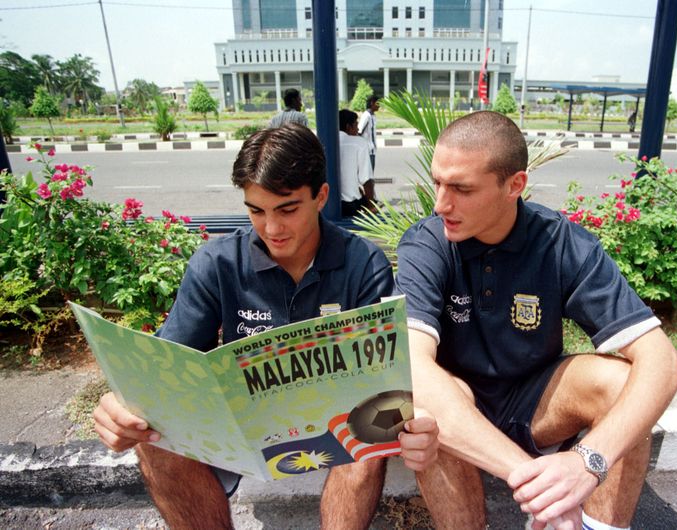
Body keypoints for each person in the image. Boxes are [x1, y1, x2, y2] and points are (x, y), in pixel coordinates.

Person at [92, 124, 440, 530]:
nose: (271, 228)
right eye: (256, 210)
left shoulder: (364, 264)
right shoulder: (218, 263)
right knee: (154, 441)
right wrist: (124, 409)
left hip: (335, 431)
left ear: (321, 197)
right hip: (239, 435)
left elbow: (388, 382)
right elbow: (165, 371)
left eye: (287, 209)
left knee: (368, 432)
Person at [395, 111, 677, 530]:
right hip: (459, 410)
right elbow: (413, 366)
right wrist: (543, 490)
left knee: (623, 383)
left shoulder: (563, 244)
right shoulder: (428, 243)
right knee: (423, 406)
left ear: (515, 185)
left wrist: (588, 464)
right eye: (438, 182)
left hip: (537, 403)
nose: (441, 204)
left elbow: (664, 362)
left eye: (461, 188)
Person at [339, 109, 375, 217]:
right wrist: (371, 207)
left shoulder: (325, 141)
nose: (358, 129)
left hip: (328, 205)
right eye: (356, 125)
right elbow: (366, 180)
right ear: (348, 127)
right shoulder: (359, 143)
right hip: (350, 206)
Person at [357, 94, 379, 171]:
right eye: (377, 103)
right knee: (368, 176)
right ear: (372, 103)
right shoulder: (366, 116)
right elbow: (359, 131)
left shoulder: (373, 116)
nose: (379, 106)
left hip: (372, 151)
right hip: (367, 151)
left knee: (371, 175)